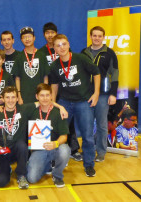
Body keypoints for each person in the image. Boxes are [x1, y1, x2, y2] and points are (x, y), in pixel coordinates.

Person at [50, 34, 100, 177]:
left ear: (68, 44)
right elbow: (54, 86)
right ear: (54, 49)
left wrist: (96, 93)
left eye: (64, 44)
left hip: (84, 101)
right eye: (58, 45)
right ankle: (55, 161)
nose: (62, 47)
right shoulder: (54, 65)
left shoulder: (80, 58)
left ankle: (89, 164)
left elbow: (96, 73)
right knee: (58, 133)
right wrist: (54, 103)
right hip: (65, 102)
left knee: (87, 136)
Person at [81, 26, 119, 162]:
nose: (96, 38)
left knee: (102, 125)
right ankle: (88, 150)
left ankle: (101, 151)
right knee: (87, 125)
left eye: (99, 36)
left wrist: (113, 94)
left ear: (103, 37)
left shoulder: (109, 53)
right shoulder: (83, 53)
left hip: (103, 94)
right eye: (94, 35)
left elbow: (115, 74)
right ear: (90, 37)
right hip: (86, 94)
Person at [0, 86, 33, 189]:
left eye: (13, 97)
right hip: (3, 152)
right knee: (0, 183)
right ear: (2, 99)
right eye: (7, 97)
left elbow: (43, 101)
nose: (10, 100)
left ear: (17, 98)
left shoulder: (23, 110)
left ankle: (21, 175)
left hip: (17, 150)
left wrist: (60, 107)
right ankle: (6, 168)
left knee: (22, 146)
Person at [27, 83, 70, 188]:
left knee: (65, 150)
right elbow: (14, 107)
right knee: (32, 179)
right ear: (37, 97)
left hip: (54, 148)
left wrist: (55, 143)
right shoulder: (31, 110)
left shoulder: (59, 113)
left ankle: (57, 175)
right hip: (39, 150)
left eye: (47, 95)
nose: (45, 98)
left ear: (51, 96)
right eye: (42, 95)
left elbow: (64, 136)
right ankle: (48, 165)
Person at [12, 26, 49, 104]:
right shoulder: (19, 57)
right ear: (21, 40)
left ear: (34, 38)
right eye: (24, 37)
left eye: (29, 36)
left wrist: (45, 94)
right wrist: (19, 95)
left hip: (40, 97)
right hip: (24, 97)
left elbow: (45, 76)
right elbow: (17, 78)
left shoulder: (41, 55)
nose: (27, 39)